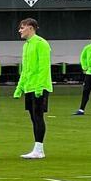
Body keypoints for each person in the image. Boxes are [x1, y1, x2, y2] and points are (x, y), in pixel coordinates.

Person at [15, 18, 52, 158]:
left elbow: (43, 67)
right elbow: (25, 69)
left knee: (38, 116)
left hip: (39, 87)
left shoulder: (41, 44)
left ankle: (39, 149)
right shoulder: (26, 45)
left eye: (22, 27)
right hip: (29, 87)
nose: (20, 30)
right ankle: (37, 148)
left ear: (30, 28)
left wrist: (40, 87)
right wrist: (20, 87)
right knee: (33, 117)